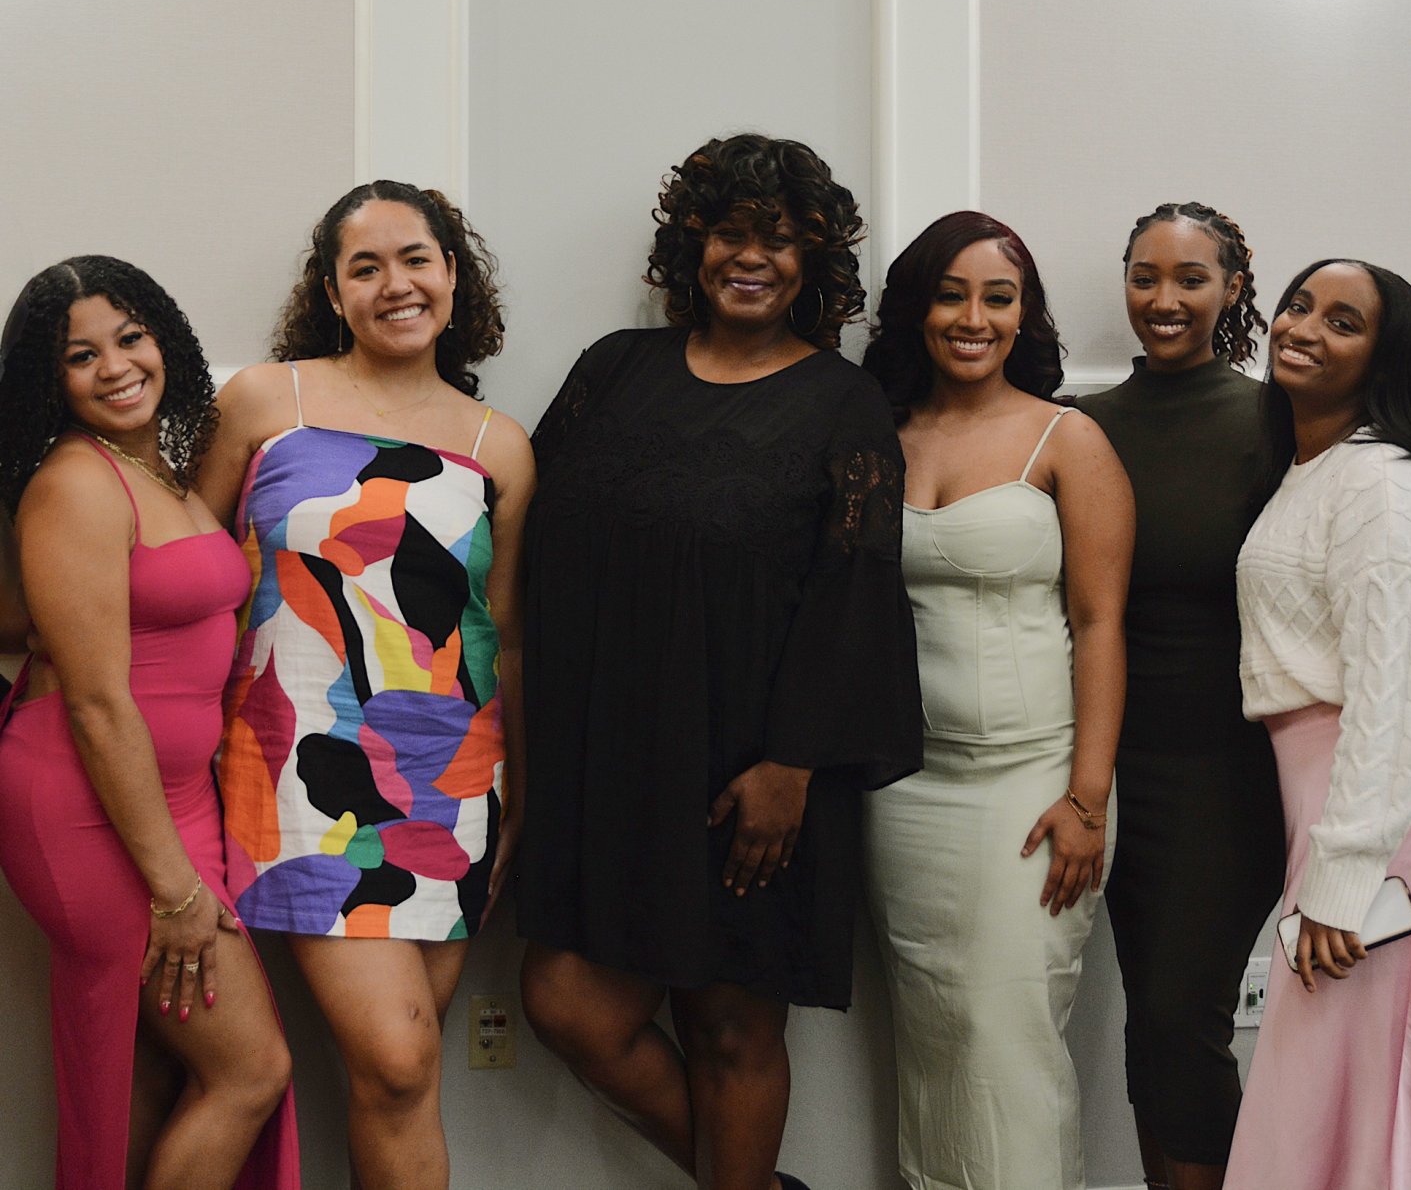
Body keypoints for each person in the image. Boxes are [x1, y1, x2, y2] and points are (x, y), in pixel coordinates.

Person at [516, 133, 922, 1190]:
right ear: (691, 246)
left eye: (779, 241)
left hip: (753, 775)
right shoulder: (614, 370)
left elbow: (856, 594)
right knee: (566, 1001)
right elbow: (530, 532)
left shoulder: (842, 402)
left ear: (812, 262)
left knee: (731, 1029)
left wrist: (792, 765)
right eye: (730, 233)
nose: (752, 257)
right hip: (613, 757)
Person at [197, 181, 533, 1190]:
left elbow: (502, 635)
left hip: (452, 783)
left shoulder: (499, 444)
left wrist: (520, 792)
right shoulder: (265, 402)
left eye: (416, 259)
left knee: (399, 1078)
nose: (396, 284)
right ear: (332, 292)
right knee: (397, 1058)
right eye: (366, 267)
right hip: (299, 771)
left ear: (452, 274)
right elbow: (192, 576)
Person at [0, 257, 298, 1190]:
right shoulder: (76, 485)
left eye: (130, 337)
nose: (116, 367)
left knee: (149, 1073)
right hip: (91, 807)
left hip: (173, 800)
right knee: (251, 1069)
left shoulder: (155, 469)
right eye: (80, 355)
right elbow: (96, 703)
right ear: (50, 380)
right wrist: (174, 893)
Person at [860, 211, 1133, 1190]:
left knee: (1005, 1040)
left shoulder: (1068, 438)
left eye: (997, 298)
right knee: (934, 1039)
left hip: (1033, 786)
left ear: (1024, 316)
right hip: (904, 792)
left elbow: (1100, 624)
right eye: (950, 295)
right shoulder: (877, 435)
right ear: (916, 309)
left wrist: (1086, 800)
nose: (972, 318)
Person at [1227, 259, 1411, 1190]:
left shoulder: (1385, 488)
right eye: (1298, 305)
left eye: (1342, 321)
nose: (1303, 327)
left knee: (1373, 1091)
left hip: (1385, 822)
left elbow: (1400, 695)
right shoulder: (1315, 471)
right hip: (1338, 806)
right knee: (1327, 1091)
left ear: (1383, 357)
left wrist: (1348, 869)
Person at [1079, 202, 1285, 1190]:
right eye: (1144, 277)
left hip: (1228, 772)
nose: (1163, 300)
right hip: (1111, 766)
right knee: (1148, 1021)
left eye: (1190, 279)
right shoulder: (1084, 427)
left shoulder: (1275, 423)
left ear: (1231, 289)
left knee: (1179, 1014)